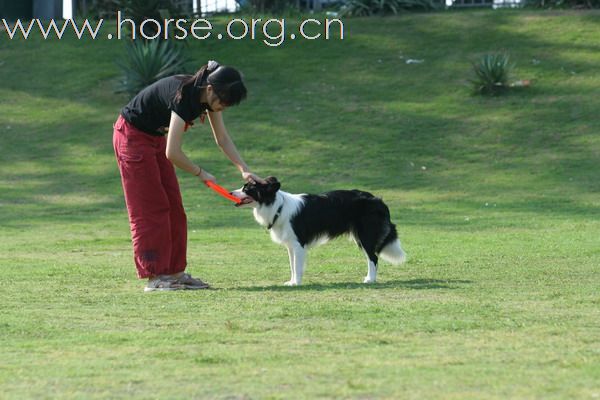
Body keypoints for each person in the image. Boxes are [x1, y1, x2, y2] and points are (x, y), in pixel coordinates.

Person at [113, 60, 264, 292]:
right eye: (222, 102)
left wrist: (243, 168)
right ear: (211, 89)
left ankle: (174, 273)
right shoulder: (183, 96)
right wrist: (201, 173)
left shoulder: (208, 96)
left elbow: (222, 138)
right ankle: (155, 278)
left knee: (174, 207)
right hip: (132, 137)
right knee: (151, 209)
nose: (222, 107)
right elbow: (172, 152)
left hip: (154, 138)